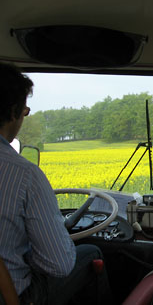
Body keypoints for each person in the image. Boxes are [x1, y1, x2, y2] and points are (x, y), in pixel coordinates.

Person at [0, 62, 112, 305]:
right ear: (12, 112)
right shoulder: (24, 174)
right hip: (15, 296)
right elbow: (58, 265)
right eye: (25, 111)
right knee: (91, 254)